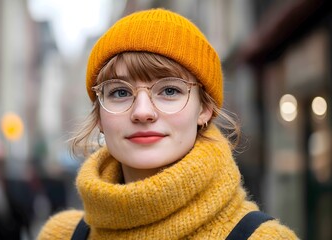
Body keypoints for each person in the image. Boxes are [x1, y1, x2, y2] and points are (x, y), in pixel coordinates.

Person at [38, 8, 298, 239]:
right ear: (99, 116)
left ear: (205, 109)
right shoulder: (60, 235)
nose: (142, 112)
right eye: (119, 92)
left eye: (170, 90)